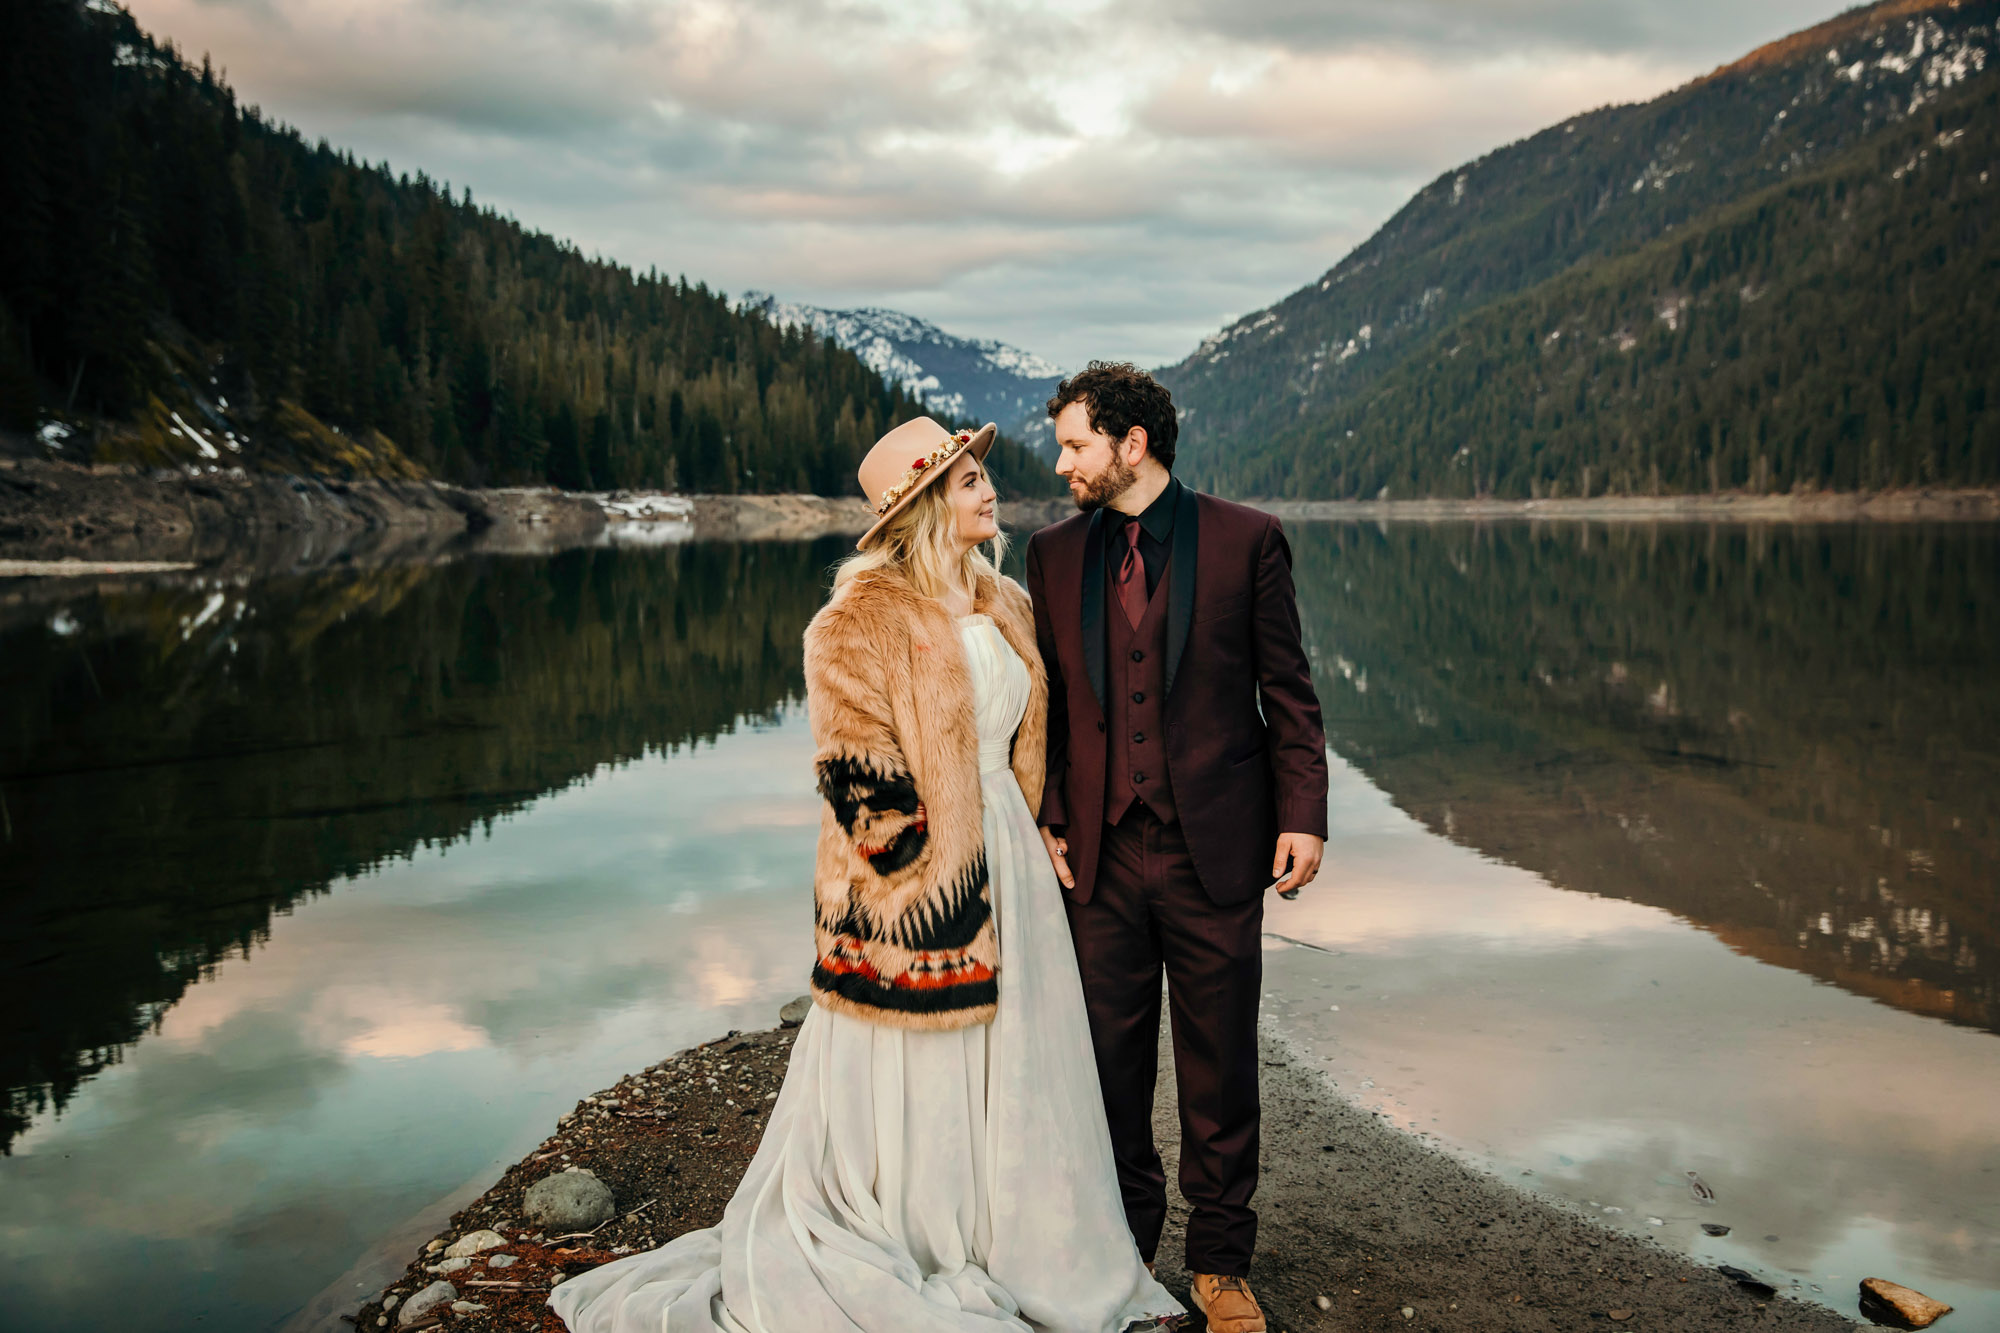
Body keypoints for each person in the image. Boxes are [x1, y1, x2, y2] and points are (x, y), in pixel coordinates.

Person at [550, 416, 1183, 1333]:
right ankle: (929, 1239)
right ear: (926, 505)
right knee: (927, 1071)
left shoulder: (1006, 600)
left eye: (980, 477)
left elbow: (1033, 734)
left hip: (1013, 853)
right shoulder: (856, 616)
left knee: (1028, 1068)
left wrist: (1047, 823)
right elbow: (854, 766)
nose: (988, 491)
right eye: (968, 482)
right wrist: (916, 878)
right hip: (918, 883)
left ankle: (1047, 1254)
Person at [1025, 364, 1329, 1333]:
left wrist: (1303, 812)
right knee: (1106, 1070)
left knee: (1218, 1064)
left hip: (1216, 850)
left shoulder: (1247, 541)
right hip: (1099, 858)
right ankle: (1120, 1257)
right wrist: (1042, 815)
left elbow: (1287, 692)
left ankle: (1219, 1265)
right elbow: (1052, 710)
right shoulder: (1051, 553)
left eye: (1075, 443)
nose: (1063, 462)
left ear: (1131, 442)